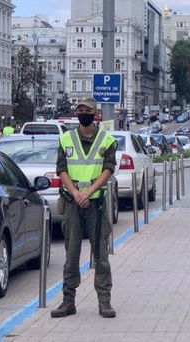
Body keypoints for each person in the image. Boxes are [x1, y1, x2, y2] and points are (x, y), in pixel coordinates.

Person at [51, 97, 118, 319]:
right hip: (73, 203)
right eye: (79, 110)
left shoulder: (107, 140)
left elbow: (108, 169)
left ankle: (104, 302)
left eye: (86, 110)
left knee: (101, 255)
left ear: (95, 114)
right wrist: (77, 194)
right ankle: (68, 301)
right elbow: (61, 170)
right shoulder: (66, 139)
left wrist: (88, 193)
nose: (82, 114)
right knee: (71, 255)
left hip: (96, 203)